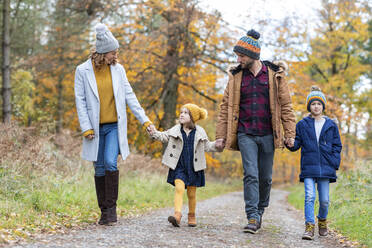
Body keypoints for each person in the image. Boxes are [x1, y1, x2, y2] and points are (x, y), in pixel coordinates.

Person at [215, 29, 296, 234]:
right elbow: (225, 107)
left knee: (266, 178)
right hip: (245, 133)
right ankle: (252, 216)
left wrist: (290, 134)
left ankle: (260, 210)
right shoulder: (235, 78)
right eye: (237, 55)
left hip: (268, 133)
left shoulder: (274, 76)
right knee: (250, 174)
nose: (238, 59)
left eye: (241, 55)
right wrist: (221, 135)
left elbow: (286, 106)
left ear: (253, 55)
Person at [74, 23, 155, 225]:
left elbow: (130, 97)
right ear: (102, 53)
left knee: (110, 162)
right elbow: (80, 100)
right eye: (112, 52)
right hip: (94, 128)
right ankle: (104, 211)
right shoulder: (82, 71)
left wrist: (145, 121)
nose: (115, 56)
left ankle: (111, 209)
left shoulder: (118, 70)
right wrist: (86, 127)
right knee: (99, 168)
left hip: (113, 127)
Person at [286, 86, 342, 240]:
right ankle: (309, 226)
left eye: (318, 103)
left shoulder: (331, 125)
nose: (316, 106)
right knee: (310, 196)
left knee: (324, 201)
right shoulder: (302, 124)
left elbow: (337, 146)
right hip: (308, 166)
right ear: (309, 106)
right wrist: (289, 142)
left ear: (323, 106)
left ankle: (322, 221)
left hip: (326, 167)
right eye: (313, 104)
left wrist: (334, 162)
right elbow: (296, 144)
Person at [149, 104, 218, 227]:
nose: (181, 114)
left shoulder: (200, 132)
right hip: (179, 166)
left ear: (193, 117)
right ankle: (177, 215)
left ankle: (191, 215)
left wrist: (217, 145)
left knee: (191, 194)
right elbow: (164, 136)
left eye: (186, 113)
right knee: (179, 188)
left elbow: (208, 146)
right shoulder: (175, 129)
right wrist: (154, 132)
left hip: (194, 167)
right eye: (181, 112)